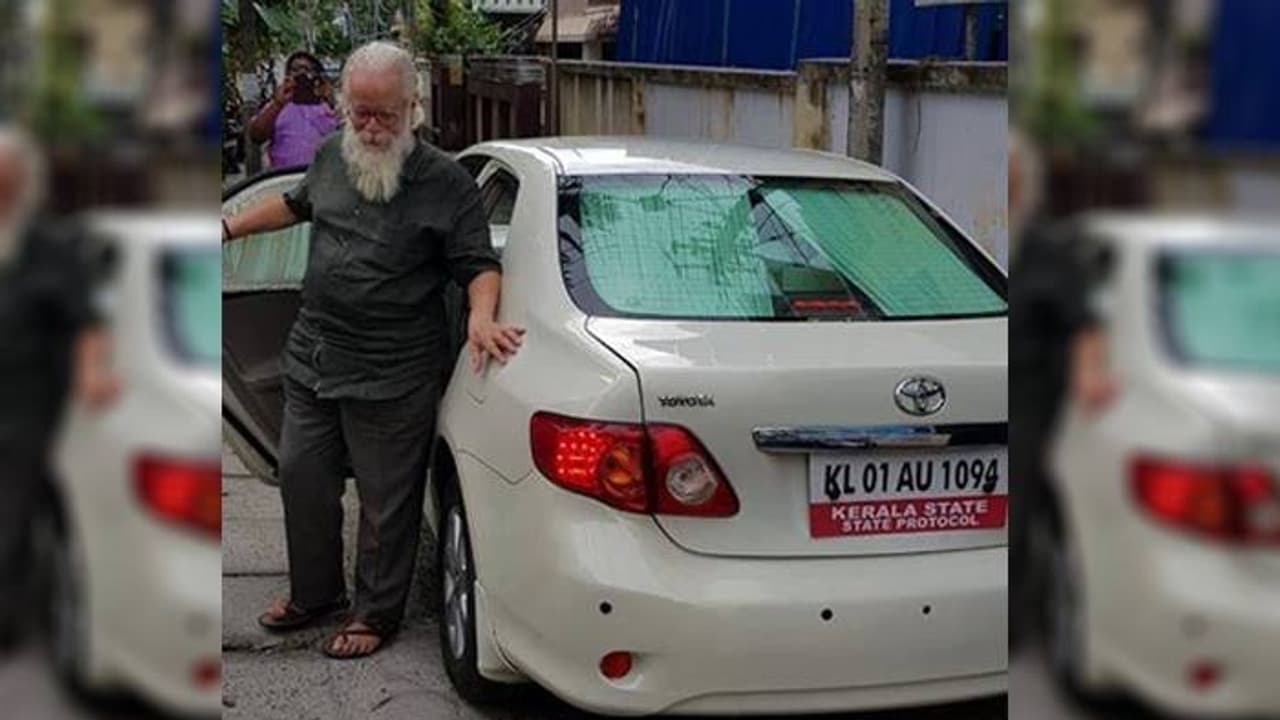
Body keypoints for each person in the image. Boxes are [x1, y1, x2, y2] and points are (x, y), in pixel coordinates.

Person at [222, 41, 525, 660]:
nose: (370, 126)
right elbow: (295, 202)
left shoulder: (445, 182)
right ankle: (315, 595)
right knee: (303, 479)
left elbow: (477, 264)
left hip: (394, 368)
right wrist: (225, 227)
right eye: (359, 112)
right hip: (314, 355)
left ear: (412, 107)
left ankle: (375, 613)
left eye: (384, 114)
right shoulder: (334, 154)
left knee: (388, 502)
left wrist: (481, 317)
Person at [0, 127, 119, 650]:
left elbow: (86, 322)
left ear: (24, 186)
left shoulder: (49, 248)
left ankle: (7, 620)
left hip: (24, 405)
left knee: (11, 514)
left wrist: (92, 373)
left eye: (7, 183)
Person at [1008, 130, 1116, 645]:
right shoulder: (988, 241)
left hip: (1030, 396)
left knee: (1017, 511)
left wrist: (1091, 375)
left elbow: (1084, 323)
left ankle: (1008, 624)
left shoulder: (1045, 250)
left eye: (1012, 175)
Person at [248, 50, 341, 169]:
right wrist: (277, 104)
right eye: (295, 69)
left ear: (317, 76)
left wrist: (331, 102)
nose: (302, 74)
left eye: (308, 70)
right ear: (288, 75)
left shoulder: (328, 106)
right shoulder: (278, 105)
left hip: (322, 179)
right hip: (285, 180)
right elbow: (256, 136)